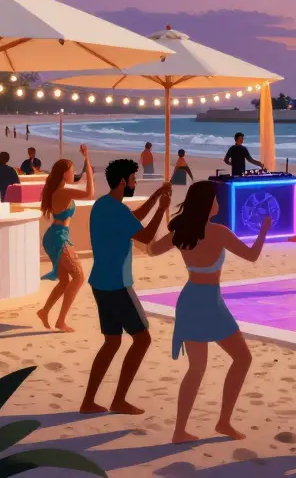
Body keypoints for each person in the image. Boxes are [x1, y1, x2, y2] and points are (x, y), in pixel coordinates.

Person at [149, 181, 269, 443]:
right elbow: (252, 256)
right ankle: (223, 421)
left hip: (191, 299)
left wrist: (160, 212)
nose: (219, 203)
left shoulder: (180, 231)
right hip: (210, 302)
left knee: (197, 368)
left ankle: (181, 430)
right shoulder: (219, 232)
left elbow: (152, 249)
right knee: (242, 358)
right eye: (215, 199)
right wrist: (263, 230)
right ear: (206, 203)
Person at [79, 160, 172, 415]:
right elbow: (144, 235)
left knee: (111, 342)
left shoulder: (103, 205)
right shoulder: (117, 211)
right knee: (142, 339)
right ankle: (119, 400)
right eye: (133, 179)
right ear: (123, 182)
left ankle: (88, 401)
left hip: (99, 282)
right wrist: (162, 208)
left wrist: (154, 197)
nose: (135, 182)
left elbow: (133, 219)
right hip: (117, 285)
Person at [36, 146, 94, 333]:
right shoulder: (62, 192)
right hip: (58, 237)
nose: (74, 172)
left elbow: (83, 187)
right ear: (64, 173)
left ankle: (45, 311)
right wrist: (88, 161)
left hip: (56, 235)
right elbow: (89, 194)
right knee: (78, 277)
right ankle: (61, 321)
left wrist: (86, 160)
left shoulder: (60, 191)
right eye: (71, 170)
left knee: (64, 282)